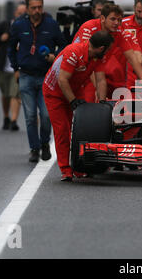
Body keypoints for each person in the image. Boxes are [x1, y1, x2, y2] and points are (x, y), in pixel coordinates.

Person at [43, 31, 113, 181]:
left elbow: (100, 81)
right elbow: (62, 80)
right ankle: (65, 169)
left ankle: (80, 166)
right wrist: (73, 101)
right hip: (54, 92)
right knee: (62, 130)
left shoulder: (98, 56)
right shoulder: (74, 52)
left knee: (82, 130)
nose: (108, 52)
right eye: (107, 49)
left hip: (74, 88)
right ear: (101, 48)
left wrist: (101, 103)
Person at [8, 0, 67, 163]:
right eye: (33, 8)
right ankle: (34, 149)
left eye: (40, 7)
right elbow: (11, 48)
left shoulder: (51, 24)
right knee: (30, 116)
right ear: (27, 8)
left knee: (47, 115)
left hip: (46, 77)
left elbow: (63, 44)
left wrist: (54, 56)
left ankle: (45, 143)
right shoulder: (19, 25)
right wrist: (15, 68)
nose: (37, 11)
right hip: (26, 75)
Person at [73, 3, 142, 100]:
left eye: (119, 20)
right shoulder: (89, 27)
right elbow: (85, 61)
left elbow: (132, 58)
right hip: (77, 70)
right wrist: (97, 89)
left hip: (97, 70)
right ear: (102, 18)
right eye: (113, 19)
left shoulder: (118, 31)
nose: (116, 23)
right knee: (92, 100)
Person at [0, 2, 26, 131]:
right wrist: (1, 38)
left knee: (15, 93)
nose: (21, 16)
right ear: (15, 13)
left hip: (19, 68)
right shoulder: (5, 25)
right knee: (5, 94)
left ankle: (13, 120)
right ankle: (6, 117)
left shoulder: (28, 28)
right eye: (19, 13)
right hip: (3, 67)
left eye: (24, 13)